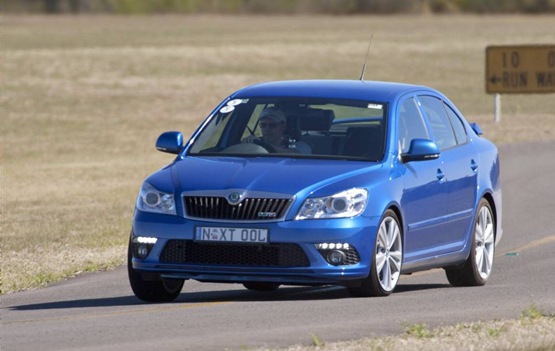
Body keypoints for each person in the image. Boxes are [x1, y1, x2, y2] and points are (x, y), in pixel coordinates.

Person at [242, 107, 311, 154]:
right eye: (263, 125)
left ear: (283, 126)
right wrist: (248, 143)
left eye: (272, 125)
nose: (267, 129)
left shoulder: (301, 146)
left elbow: (293, 154)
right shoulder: (253, 144)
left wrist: (260, 145)